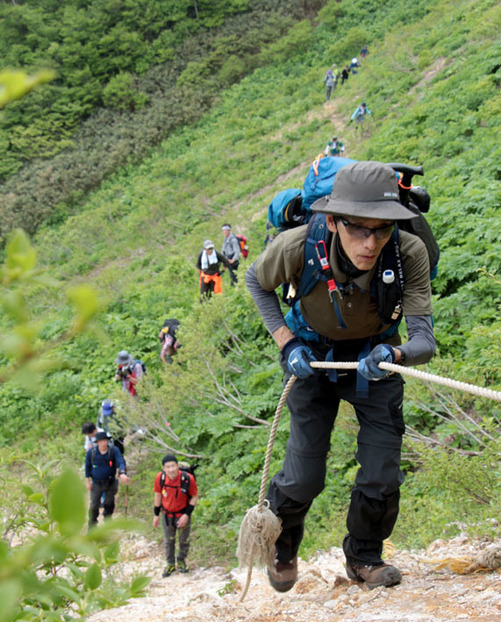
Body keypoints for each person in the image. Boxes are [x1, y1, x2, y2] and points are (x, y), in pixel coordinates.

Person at [245, 160, 435, 592]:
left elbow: (424, 339)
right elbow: (257, 283)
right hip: (310, 356)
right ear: (332, 221)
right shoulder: (297, 246)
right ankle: (283, 546)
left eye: (382, 230)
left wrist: (397, 352)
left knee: (382, 471)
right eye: (359, 229)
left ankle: (364, 558)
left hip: (377, 356)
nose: (371, 243)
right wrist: (287, 343)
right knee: (304, 470)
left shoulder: (408, 253)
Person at [153, 455, 198, 577]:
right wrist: (156, 515)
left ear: (178, 466)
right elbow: (158, 495)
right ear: (163, 468)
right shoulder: (160, 478)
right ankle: (170, 563)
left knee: (184, 539)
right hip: (167, 514)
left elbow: (194, 496)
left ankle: (181, 560)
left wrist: (186, 515)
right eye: (168, 467)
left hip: (182, 513)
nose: (171, 469)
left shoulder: (187, 478)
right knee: (169, 540)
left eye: (173, 466)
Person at [85, 431, 129, 527]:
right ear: (97, 443)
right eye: (101, 441)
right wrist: (87, 481)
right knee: (94, 505)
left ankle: (107, 524)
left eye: (105, 441)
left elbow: (120, 462)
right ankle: (92, 526)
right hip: (96, 482)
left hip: (110, 482)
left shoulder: (114, 451)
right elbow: (87, 466)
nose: (103, 443)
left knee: (109, 503)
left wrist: (122, 473)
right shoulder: (91, 453)